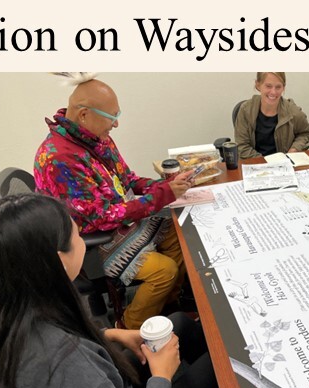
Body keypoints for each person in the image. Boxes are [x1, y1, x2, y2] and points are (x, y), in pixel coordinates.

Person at [0, 193, 217, 388]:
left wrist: (110, 334)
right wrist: (161, 377)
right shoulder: (67, 364)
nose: (80, 241)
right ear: (60, 261)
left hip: (101, 374)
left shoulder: (12, 309)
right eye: (77, 235)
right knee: (215, 370)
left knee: (179, 324)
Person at [34, 73, 198, 330]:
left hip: (117, 220)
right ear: (85, 114)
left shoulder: (96, 138)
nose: (116, 125)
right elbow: (102, 216)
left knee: (178, 237)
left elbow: (128, 180)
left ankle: (164, 307)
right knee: (163, 271)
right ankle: (130, 330)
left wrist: (167, 185)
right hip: (92, 237)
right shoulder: (60, 158)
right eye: (112, 118)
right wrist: (164, 194)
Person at [234, 72, 309, 159]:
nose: (273, 92)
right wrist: (266, 162)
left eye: (278, 87)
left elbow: (305, 133)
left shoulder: (293, 111)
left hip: (284, 165)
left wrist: (294, 149)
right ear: (258, 85)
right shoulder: (246, 110)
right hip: (256, 165)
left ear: (283, 88)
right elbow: (242, 146)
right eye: (268, 86)